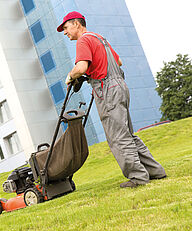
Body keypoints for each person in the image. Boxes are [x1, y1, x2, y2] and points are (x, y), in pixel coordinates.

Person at [57, 11, 166, 188]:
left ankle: (138, 177)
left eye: (66, 27)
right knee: (127, 133)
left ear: (76, 24)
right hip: (120, 85)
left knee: (117, 136)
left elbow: (81, 67)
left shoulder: (83, 40)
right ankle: (155, 171)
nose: (65, 32)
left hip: (107, 89)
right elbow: (119, 61)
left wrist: (70, 76)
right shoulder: (100, 38)